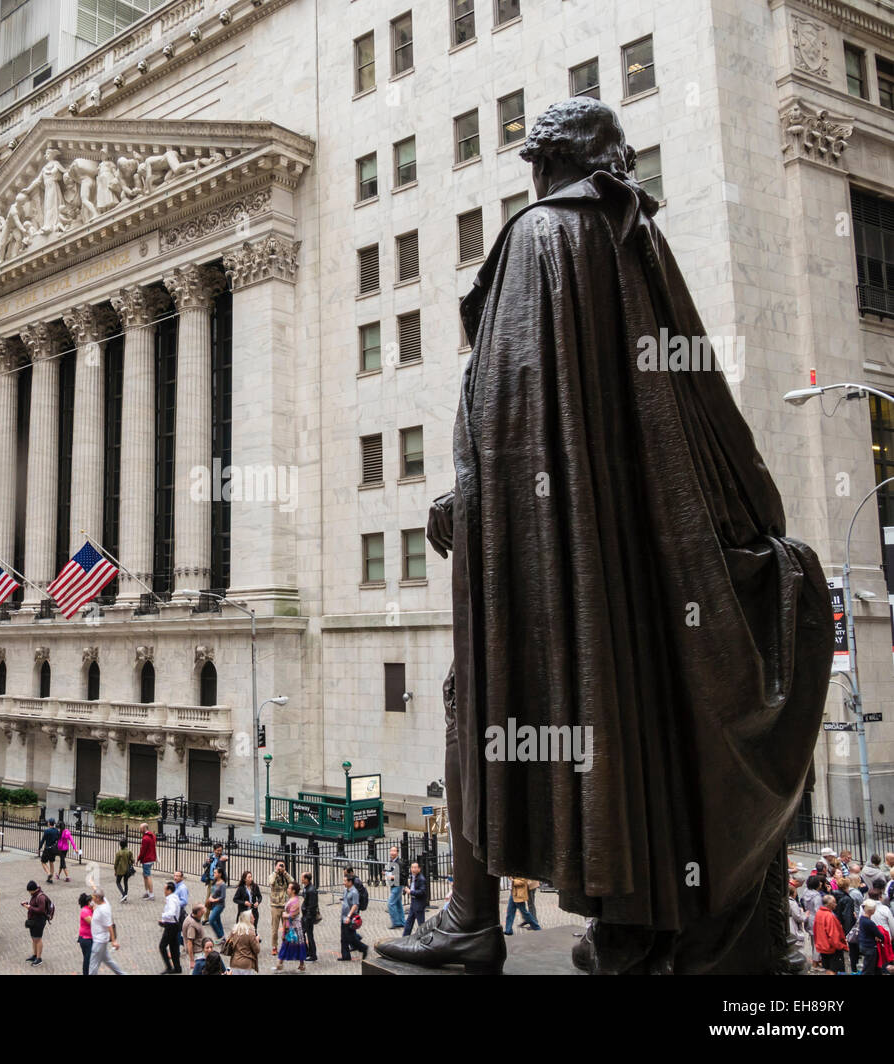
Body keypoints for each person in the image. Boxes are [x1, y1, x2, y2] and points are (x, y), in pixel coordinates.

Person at [379, 96, 832, 977]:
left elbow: (509, 418)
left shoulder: (542, 236)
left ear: (540, 164)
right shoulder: (633, 239)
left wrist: (467, 506)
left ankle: (472, 920)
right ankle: (630, 924)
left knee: (473, 705)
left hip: (561, 560)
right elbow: (682, 409)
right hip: (642, 559)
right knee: (620, 712)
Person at [87, 886, 124, 974]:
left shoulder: (104, 910)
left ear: (98, 898)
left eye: (94, 897)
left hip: (99, 941)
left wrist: (114, 941)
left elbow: (109, 925)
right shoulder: (103, 901)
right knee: (109, 961)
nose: (93, 899)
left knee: (93, 965)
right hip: (100, 940)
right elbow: (96, 889)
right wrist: (92, 884)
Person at [274, 880, 308, 972]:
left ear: (293, 891)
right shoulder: (292, 899)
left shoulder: (295, 901)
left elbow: (293, 914)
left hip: (294, 927)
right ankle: (281, 964)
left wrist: (285, 915)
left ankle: (299, 965)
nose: (287, 889)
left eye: (289, 888)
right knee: (287, 945)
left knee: (292, 945)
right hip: (289, 926)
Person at [814, 895, 848, 974]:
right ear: (830, 904)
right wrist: (841, 946)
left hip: (822, 946)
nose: (836, 904)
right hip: (831, 948)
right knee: (833, 969)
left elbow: (815, 930)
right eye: (834, 902)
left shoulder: (819, 913)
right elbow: (833, 935)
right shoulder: (829, 916)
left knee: (828, 969)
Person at [267, 860, 294, 955]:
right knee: (275, 929)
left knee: (287, 928)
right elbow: (271, 882)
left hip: (285, 906)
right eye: (279, 865)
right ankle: (274, 947)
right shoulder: (273, 875)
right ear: (275, 866)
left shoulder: (285, 876)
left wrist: (285, 873)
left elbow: (293, 882)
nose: (281, 867)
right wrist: (276, 872)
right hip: (275, 906)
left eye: (283, 866)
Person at [22, 880, 51, 966]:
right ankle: (35, 955)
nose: (29, 892)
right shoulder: (34, 895)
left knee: (38, 939)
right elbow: (35, 906)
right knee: (34, 938)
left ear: (33, 889)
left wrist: (29, 907)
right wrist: (28, 905)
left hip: (39, 921)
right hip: (33, 920)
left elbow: (41, 910)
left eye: (29, 891)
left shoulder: (40, 897)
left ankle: (39, 958)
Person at [340, 871, 367, 960]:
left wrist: (349, 916)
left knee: (351, 938)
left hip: (349, 917)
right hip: (343, 917)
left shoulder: (354, 892)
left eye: (345, 881)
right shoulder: (345, 890)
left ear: (350, 882)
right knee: (343, 938)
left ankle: (363, 948)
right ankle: (346, 956)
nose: (343, 883)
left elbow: (355, 905)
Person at [158, 881, 182, 973]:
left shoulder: (171, 900)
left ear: (169, 890)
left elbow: (171, 912)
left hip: (171, 926)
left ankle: (169, 967)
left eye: (165, 889)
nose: (164, 891)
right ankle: (177, 968)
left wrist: (164, 916)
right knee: (173, 947)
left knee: (162, 946)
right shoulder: (174, 898)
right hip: (174, 925)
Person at [403, 860, 428, 937]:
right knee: (409, 921)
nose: (413, 869)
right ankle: (404, 938)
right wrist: (406, 890)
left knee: (421, 924)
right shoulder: (413, 877)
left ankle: (424, 938)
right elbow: (413, 886)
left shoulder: (421, 879)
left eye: (415, 868)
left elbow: (422, 892)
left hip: (419, 903)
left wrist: (410, 892)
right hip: (414, 902)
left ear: (419, 869)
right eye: (412, 867)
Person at [859, 899, 884, 975]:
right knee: (868, 970)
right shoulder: (870, 923)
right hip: (870, 947)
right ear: (871, 910)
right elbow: (879, 935)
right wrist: (881, 938)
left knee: (870, 967)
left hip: (863, 944)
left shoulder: (862, 918)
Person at [300, 871, 320, 962]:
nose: (301, 879)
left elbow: (312, 906)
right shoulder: (306, 888)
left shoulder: (311, 890)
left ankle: (313, 954)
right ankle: (307, 952)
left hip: (308, 917)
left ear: (306, 879)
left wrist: (307, 917)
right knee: (302, 933)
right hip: (305, 916)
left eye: (302, 878)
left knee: (309, 935)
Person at [182, 903, 208, 972]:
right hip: (197, 953)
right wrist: (192, 960)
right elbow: (189, 942)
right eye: (203, 911)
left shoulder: (194, 917)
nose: (205, 912)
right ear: (199, 912)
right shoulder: (192, 925)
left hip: (199, 951)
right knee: (195, 972)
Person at [385, 845, 404, 929]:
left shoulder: (399, 863)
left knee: (391, 903)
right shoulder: (391, 861)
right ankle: (402, 921)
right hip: (393, 885)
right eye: (391, 851)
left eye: (394, 851)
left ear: (397, 852)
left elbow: (402, 875)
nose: (392, 853)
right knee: (398, 903)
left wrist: (393, 877)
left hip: (398, 885)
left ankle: (396, 922)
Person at [206, 865, 228, 939]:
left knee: (211, 920)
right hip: (213, 905)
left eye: (215, 873)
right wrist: (210, 897)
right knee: (218, 922)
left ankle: (220, 936)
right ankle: (223, 938)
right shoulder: (215, 882)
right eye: (214, 872)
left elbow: (223, 897)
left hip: (219, 905)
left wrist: (213, 900)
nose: (214, 874)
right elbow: (212, 891)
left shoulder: (223, 884)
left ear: (220, 874)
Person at [138, 822, 157, 900]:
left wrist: (138, 858)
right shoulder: (152, 835)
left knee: (147, 875)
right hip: (151, 858)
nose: (139, 830)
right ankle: (147, 892)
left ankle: (151, 894)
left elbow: (143, 850)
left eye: (140, 828)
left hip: (147, 859)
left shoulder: (145, 838)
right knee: (145, 875)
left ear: (144, 828)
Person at [113, 839, 135, 903]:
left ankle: (123, 894)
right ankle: (125, 897)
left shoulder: (118, 853)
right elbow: (132, 860)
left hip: (120, 870)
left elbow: (116, 863)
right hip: (127, 870)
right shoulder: (129, 852)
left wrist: (115, 870)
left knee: (118, 882)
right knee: (125, 882)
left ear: (120, 845)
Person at [77, 892, 94, 975]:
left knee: (90, 959)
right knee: (87, 959)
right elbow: (93, 923)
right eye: (93, 901)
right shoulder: (85, 911)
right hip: (85, 939)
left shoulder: (91, 910)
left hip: (91, 938)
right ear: (88, 902)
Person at [39, 818, 61, 883]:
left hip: (47, 848)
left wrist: (39, 848)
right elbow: (58, 839)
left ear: (49, 823)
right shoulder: (56, 831)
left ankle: (49, 873)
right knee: (51, 862)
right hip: (53, 849)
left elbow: (43, 840)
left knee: (43, 862)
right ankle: (50, 879)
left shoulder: (46, 831)